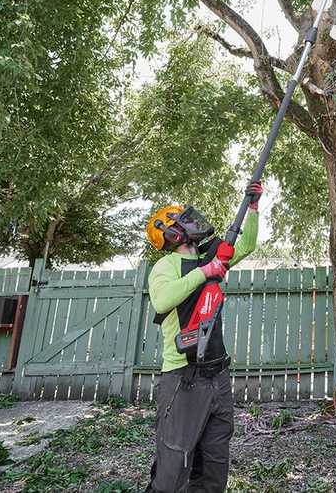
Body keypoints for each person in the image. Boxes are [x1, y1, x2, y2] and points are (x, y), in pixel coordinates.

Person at [144, 181, 262, 493]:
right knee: (175, 461)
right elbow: (162, 300)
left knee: (214, 461)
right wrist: (205, 272)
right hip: (183, 377)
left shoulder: (209, 255)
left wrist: (252, 208)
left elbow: (246, 245)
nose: (191, 219)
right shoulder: (164, 266)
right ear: (172, 234)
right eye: (181, 219)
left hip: (217, 375)